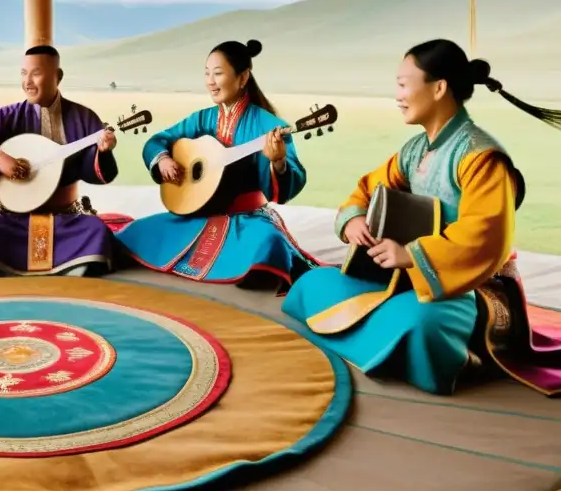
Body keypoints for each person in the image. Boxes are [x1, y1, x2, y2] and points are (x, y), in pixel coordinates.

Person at [282, 39, 561, 396]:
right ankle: (383, 342)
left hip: (471, 288)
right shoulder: (415, 151)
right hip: (407, 278)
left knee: (421, 323)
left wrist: (410, 255)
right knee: (311, 284)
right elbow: (366, 190)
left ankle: (395, 341)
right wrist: (353, 221)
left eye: (403, 84)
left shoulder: (482, 157)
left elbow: (484, 238)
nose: (397, 95)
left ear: (439, 87)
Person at [115, 40, 318, 284]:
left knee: (269, 243)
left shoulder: (269, 125)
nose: (210, 81)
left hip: (247, 219)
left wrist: (279, 163)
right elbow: (158, 141)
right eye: (207, 73)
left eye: (218, 73)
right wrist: (163, 160)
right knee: (135, 234)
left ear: (243, 78)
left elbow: (289, 180)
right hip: (199, 214)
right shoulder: (202, 119)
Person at [0, 45, 120, 277]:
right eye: (23, 73)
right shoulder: (9, 116)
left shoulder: (84, 117)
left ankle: (76, 265)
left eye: (36, 73)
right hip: (14, 218)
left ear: (58, 77)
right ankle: (74, 268)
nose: (28, 82)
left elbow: (98, 171)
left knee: (96, 232)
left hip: (66, 217)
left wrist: (102, 151)